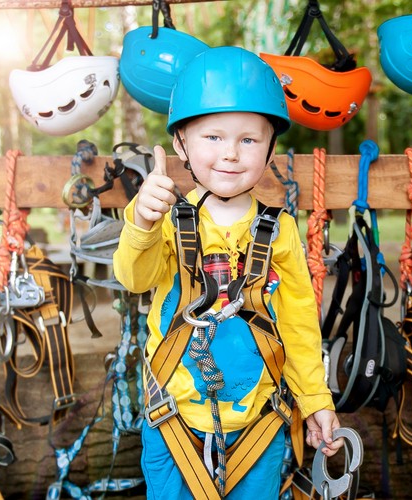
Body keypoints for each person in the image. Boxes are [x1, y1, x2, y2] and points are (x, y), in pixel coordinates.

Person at [112, 46, 341, 499]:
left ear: (271, 146)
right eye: (212, 137)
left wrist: (315, 400)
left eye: (248, 140)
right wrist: (140, 223)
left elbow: (297, 324)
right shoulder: (163, 219)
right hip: (172, 415)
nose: (231, 154)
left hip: (258, 420)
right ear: (180, 144)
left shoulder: (280, 231)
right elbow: (134, 278)